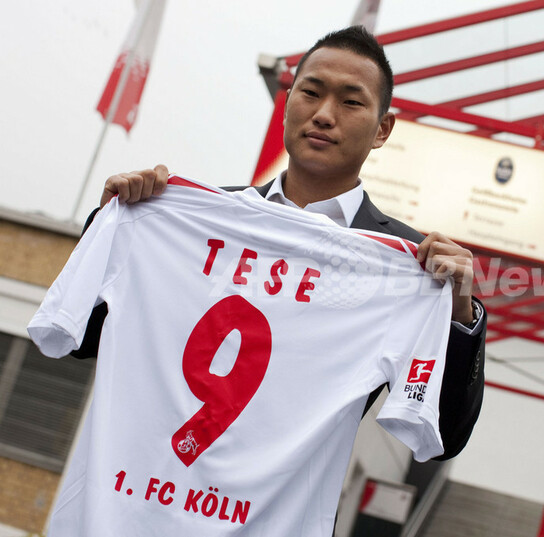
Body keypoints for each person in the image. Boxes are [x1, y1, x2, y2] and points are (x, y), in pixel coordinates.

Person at [75, 25, 485, 460]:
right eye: (311, 93)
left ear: (382, 129)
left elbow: (444, 436)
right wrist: (110, 229)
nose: (324, 114)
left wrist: (458, 316)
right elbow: (83, 338)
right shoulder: (196, 220)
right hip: (147, 484)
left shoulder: (408, 265)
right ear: (287, 104)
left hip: (282, 501)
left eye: (350, 102)